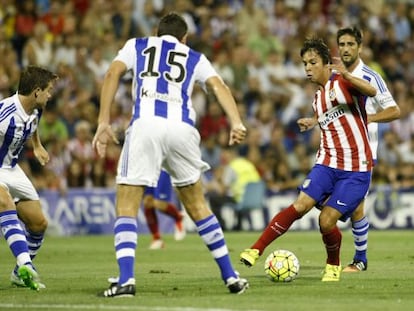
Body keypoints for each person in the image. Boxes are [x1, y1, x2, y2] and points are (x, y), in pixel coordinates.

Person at [92, 12, 249, 297]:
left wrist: (103, 121)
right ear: (184, 38)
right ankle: (231, 277)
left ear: (156, 32)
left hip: (146, 125)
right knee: (198, 205)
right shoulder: (194, 56)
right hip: (182, 129)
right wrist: (236, 121)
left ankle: (126, 279)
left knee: (127, 202)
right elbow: (218, 86)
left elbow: (112, 72)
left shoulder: (137, 45)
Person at [240, 37, 376, 282]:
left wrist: (348, 75)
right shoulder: (317, 97)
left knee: (326, 221)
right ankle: (256, 249)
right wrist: (313, 121)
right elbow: (330, 118)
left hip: (356, 169)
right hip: (327, 163)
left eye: (313, 62)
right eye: (304, 63)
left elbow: (372, 91)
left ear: (326, 63)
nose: (307, 68)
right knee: (300, 205)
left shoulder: (343, 83)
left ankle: (333, 264)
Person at [335, 26, 400, 272]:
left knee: (356, 206)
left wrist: (370, 118)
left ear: (360, 47)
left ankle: (360, 260)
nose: (346, 49)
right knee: (335, 203)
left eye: (351, 44)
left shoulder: (371, 77)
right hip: (336, 151)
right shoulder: (335, 75)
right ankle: (356, 259)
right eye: (342, 44)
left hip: (362, 153)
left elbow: (395, 111)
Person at [0, 65, 58, 290]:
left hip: (12, 169)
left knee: (39, 223)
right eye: (48, 90)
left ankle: (18, 274)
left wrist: (37, 145)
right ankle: (26, 265)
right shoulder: (4, 114)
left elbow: (32, 126)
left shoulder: (36, 109)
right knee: (5, 204)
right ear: (36, 91)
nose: (50, 95)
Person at [143, 170, 185, 250]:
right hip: (148, 167)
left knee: (159, 204)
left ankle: (178, 217)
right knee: (147, 202)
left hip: (162, 167)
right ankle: (157, 239)